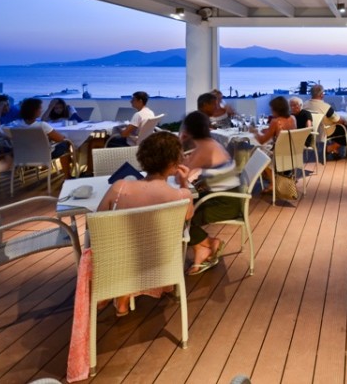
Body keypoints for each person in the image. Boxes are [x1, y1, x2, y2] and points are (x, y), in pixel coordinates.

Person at [96, 131, 194, 310]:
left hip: (118, 262)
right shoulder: (182, 195)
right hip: (159, 262)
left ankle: (117, 291)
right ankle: (124, 295)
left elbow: (97, 220)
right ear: (173, 164)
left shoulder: (120, 187)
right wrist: (184, 183)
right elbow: (188, 218)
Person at [178, 111, 239, 276]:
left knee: (178, 218)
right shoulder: (208, 143)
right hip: (222, 197)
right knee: (182, 213)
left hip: (225, 204)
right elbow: (185, 167)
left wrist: (181, 143)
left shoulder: (204, 148)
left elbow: (181, 176)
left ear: (189, 130)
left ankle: (207, 244)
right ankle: (205, 246)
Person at [8, 97, 74, 175]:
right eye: (40, 108)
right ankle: (67, 176)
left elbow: (4, 134)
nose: (41, 110)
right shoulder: (42, 126)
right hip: (43, 156)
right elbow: (60, 139)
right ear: (35, 111)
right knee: (65, 144)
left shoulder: (15, 125)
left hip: (22, 156)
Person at [304, 84, 347, 157]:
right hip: (325, 131)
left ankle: (334, 150)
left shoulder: (305, 105)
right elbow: (338, 120)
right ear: (321, 95)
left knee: (340, 129)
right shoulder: (326, 107)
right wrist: (344, 122)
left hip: (310, 132)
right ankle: (330, 148)